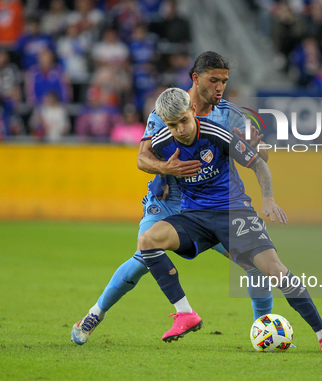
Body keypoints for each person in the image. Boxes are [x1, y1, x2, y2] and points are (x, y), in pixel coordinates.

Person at [70, 52, 273, 345]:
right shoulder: (169, 108)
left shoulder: (231, 115)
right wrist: (167, 168)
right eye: (213, 80)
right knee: (143, 257)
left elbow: (259, 155)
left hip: (210, 205)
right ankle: (94, 315)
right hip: (168, 199)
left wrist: (259, 146)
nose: (219, 87)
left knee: (255, 264)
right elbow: (142, 158)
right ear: (196, 78)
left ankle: (262, 329)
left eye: (224, 82)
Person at [138, 87, 322, 353]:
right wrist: (163, 176)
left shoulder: (215, 134)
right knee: (147, 241)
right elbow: (146, 160)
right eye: (172, 125)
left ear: (192, 110)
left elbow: (259, 164)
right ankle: (185, 313)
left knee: (275, 271)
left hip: (233, 212)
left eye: (184, 121)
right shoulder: (162, 141)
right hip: (194, 218)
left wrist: (268, 199)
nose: (180, 130)